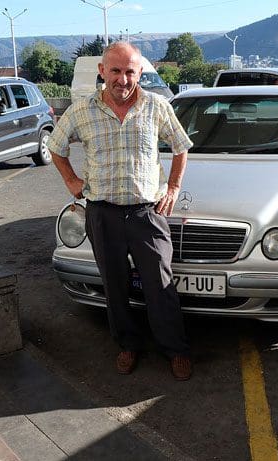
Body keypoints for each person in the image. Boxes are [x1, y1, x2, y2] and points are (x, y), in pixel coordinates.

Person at [47, 42, 194, 381]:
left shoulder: (157, 106)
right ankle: (127, 345)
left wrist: (173, 187)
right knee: (115, 286)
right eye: (115, 71)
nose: (122, 79)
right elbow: (56, 147)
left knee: (160, 284)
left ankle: (175, 349)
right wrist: (71, 180)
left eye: (130, 72)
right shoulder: (82, 110)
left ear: (140, 73)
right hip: (103, 214)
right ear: (102, 71)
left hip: (147, 214)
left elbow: (181, 146)